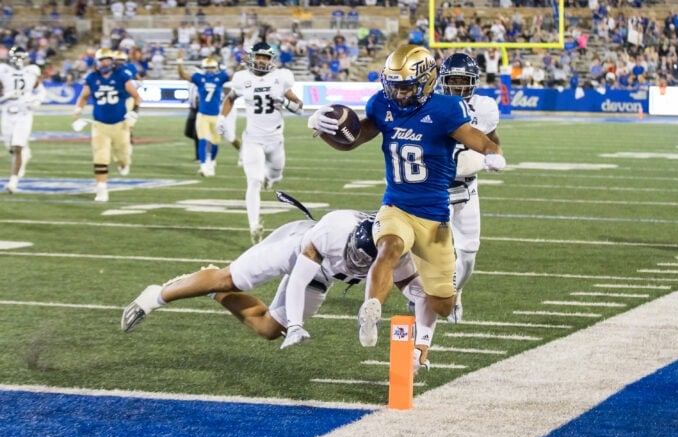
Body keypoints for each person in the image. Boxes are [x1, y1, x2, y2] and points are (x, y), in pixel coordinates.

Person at [308, 44, 504, 348]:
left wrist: (492, 151)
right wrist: (324, 129)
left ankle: (440, 304)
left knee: (444, 305)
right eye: (394, 86)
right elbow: (353, 139)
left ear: (426, 80)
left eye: (405, 87)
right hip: (396, 204)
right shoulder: (382, 106)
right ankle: (370, 310)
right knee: (389, 248)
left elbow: (476, 137)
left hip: (435, 215)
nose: (398, 94)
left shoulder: (445, 109)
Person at [121, 205, 436, 373]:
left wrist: (423, 343)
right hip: (297, 249)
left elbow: (422, 298)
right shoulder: (335, 230)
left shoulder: (396, 254)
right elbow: (298, 279)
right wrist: (297, 325)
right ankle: (155, 297)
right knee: (230, 278)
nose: (355, 264)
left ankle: (212, 289)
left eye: (364, 262)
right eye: (353, 255)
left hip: (323, 276)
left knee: (270, 329)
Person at [438, 52, 503, 323]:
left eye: (462, 81)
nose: (457, 86)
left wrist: (495, 154)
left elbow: (491, 138)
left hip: (467, 188)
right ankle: (423, 294)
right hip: (435, 187)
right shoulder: (433, 103)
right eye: (452, 80)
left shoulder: (484, 107)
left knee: (468, 254)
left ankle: (455, 293)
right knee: (429, 249)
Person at [217, 42, 304, 245]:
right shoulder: (241, 79)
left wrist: (283, 102)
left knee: (275, 175)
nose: (262, 60)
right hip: (252, 139)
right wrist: (222, 118)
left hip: (275, 140)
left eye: (265, 57)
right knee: (253, 181)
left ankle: (269, 178)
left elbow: (299, 108)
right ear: (251, 57)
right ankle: (254, 225)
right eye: (259, 56)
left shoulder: (280, 78)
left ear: (271, 59)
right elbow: (230, 99)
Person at [73, 48, 140, 202]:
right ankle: (101, 189)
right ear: (97, 62)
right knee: (100, 156)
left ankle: (124, 162)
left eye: (108, 60)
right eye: (102, 60)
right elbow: (84, 97)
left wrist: (134, 112)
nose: (105, 63)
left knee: (123, 158)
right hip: (99, 125)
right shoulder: (92, 77)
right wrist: (77, 112)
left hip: (120, 124)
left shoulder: (122, 76)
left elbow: (136, 97)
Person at [177, 51, 230, 177]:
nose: (210, 70)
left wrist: (243, 63)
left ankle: (211, 162)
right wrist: (179, 62)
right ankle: (203, 165)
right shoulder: (199, 78)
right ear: (203, 68)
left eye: (212, 68)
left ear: (216, 68)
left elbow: (236, 76)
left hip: (216, 115)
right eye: (208, 68)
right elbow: (183, 75)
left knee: (216, 142)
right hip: (202, 114)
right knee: (202, 140)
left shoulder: (221, 77)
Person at [1, 46, 45, 193]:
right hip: (7, 113)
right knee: (10, 147)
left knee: (17, 146)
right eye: (17, 57)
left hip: (24, 113)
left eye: (21, 57)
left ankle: (13, 182)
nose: (19, 60)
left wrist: (37, 100)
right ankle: (24, 154)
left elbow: (40, 89)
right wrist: (5, 97)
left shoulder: (31, 71)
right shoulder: (3, 70)